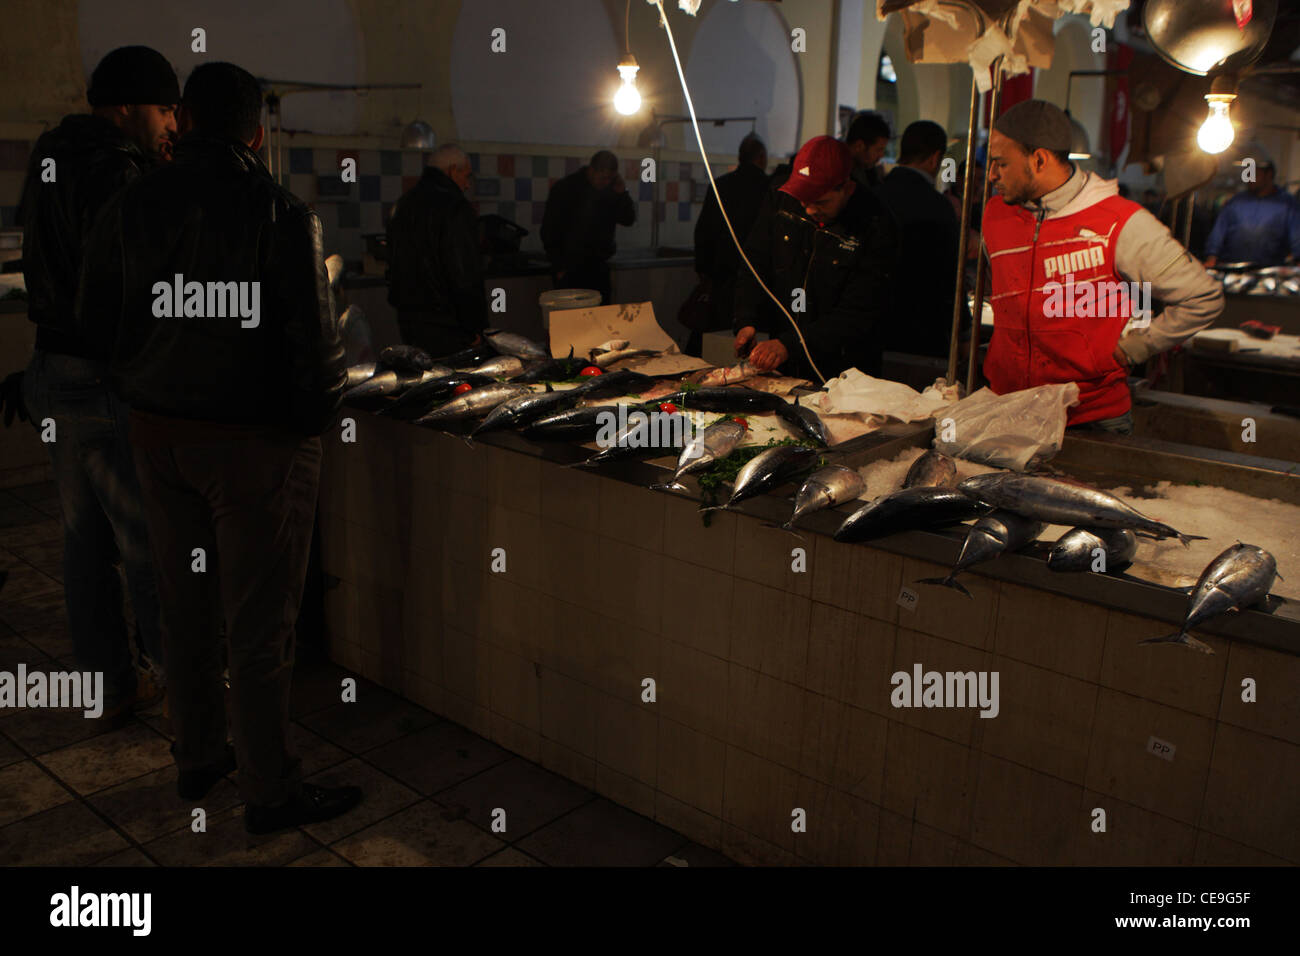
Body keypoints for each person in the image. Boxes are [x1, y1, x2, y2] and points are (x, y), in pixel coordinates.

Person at [77, 61, 361, 832]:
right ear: (259, 133)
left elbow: (94, 323)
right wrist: (308, 422)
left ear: (187, 121)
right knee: (260, 627)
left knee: (185, 606)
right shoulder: (278, 212)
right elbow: (319, 356)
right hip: (254, 450)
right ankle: (270, 792)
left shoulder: (130, 205)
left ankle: (198, 755)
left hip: (158, 440)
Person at [17, 45, 178, 723]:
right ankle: (186, 698)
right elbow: (134, 286)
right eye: (164, 108)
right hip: (103, 376)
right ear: (124, 108)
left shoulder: (51, 156)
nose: (173, 122)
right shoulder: (117, 170)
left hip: (53, 371)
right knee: (145, 543)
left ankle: (109, 688)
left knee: (84, 541)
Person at [982, 100, 1223, 434]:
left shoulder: (1120, 221)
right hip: (1008, 412)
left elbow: (1203, 296)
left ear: (1038, 160)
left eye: (1000, 163)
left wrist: (1138, 346)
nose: (991, 174)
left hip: (1090, 418)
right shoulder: (996, 215)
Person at [732, 135, 898, 382]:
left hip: (846, 373)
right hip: (785, 367)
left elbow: (860, 311)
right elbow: (754, 263)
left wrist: (791, 344)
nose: (809, 209)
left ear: (848, 189)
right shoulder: (781, 198)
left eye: (821, 201)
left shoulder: (876, 223)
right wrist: (746, 320)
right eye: (803, 199)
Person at [874, 120, 968, 358]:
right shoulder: (938, 207)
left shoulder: (872, 197)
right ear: (936, 158)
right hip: (924, 332)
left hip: (873, 329)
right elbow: (950, 276)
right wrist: (964, 329)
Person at [386, 143, 487, 358]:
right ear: (452, 170)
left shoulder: (403, 204)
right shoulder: (456, 208)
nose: (467, 185)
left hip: (408, 320)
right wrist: (475, 328)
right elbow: (464, 276)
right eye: (466, 176)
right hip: (449, 326)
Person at [690, 133, 770, 354]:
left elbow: (703, 232)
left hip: (721, 277)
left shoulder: (720, 186)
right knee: (751, 346)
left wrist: (704, 271)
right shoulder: (768, 188)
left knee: (716, 342)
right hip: (758, 281)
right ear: (761, 157)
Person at [541, 150, 636, 303]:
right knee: (572, 322)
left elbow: (628, 219)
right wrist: (559, 266)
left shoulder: (610, 191)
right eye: (603, 178)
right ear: (591, 170)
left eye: (609, 179)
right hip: (570, 269)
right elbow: (550, 229)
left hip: (598, 268)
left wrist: (622, 193)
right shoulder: (566, 189)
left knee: (601, 321)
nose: (605, 182)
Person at [1204, 161, 1300, 267]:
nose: (1249, 178)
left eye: (1253, 174)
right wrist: (1211, 257)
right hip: (1231, 268)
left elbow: (1297, 237)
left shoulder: (1287, 204)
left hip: (1270, 272)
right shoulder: (1236, 202)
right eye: (1247, 174)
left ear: (1269, 175)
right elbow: (1218, 233)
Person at [845, 111, 891, 190]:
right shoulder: (836, 176)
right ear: (859, 146)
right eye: (879, 150)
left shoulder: (868, 170)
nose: (881, 155)